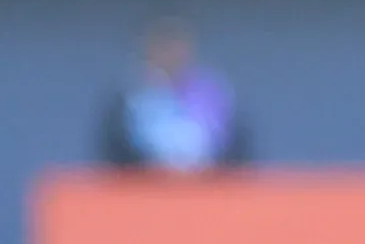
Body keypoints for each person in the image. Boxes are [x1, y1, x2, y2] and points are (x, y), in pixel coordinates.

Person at [96, 21, 252, 173]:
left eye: (176, 45)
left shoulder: (215, 95)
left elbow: (236, 151)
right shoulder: (127, 100)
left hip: (209, 192)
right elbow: (115, 158)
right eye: (163, 46)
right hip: (143, 193)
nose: (170, 54)